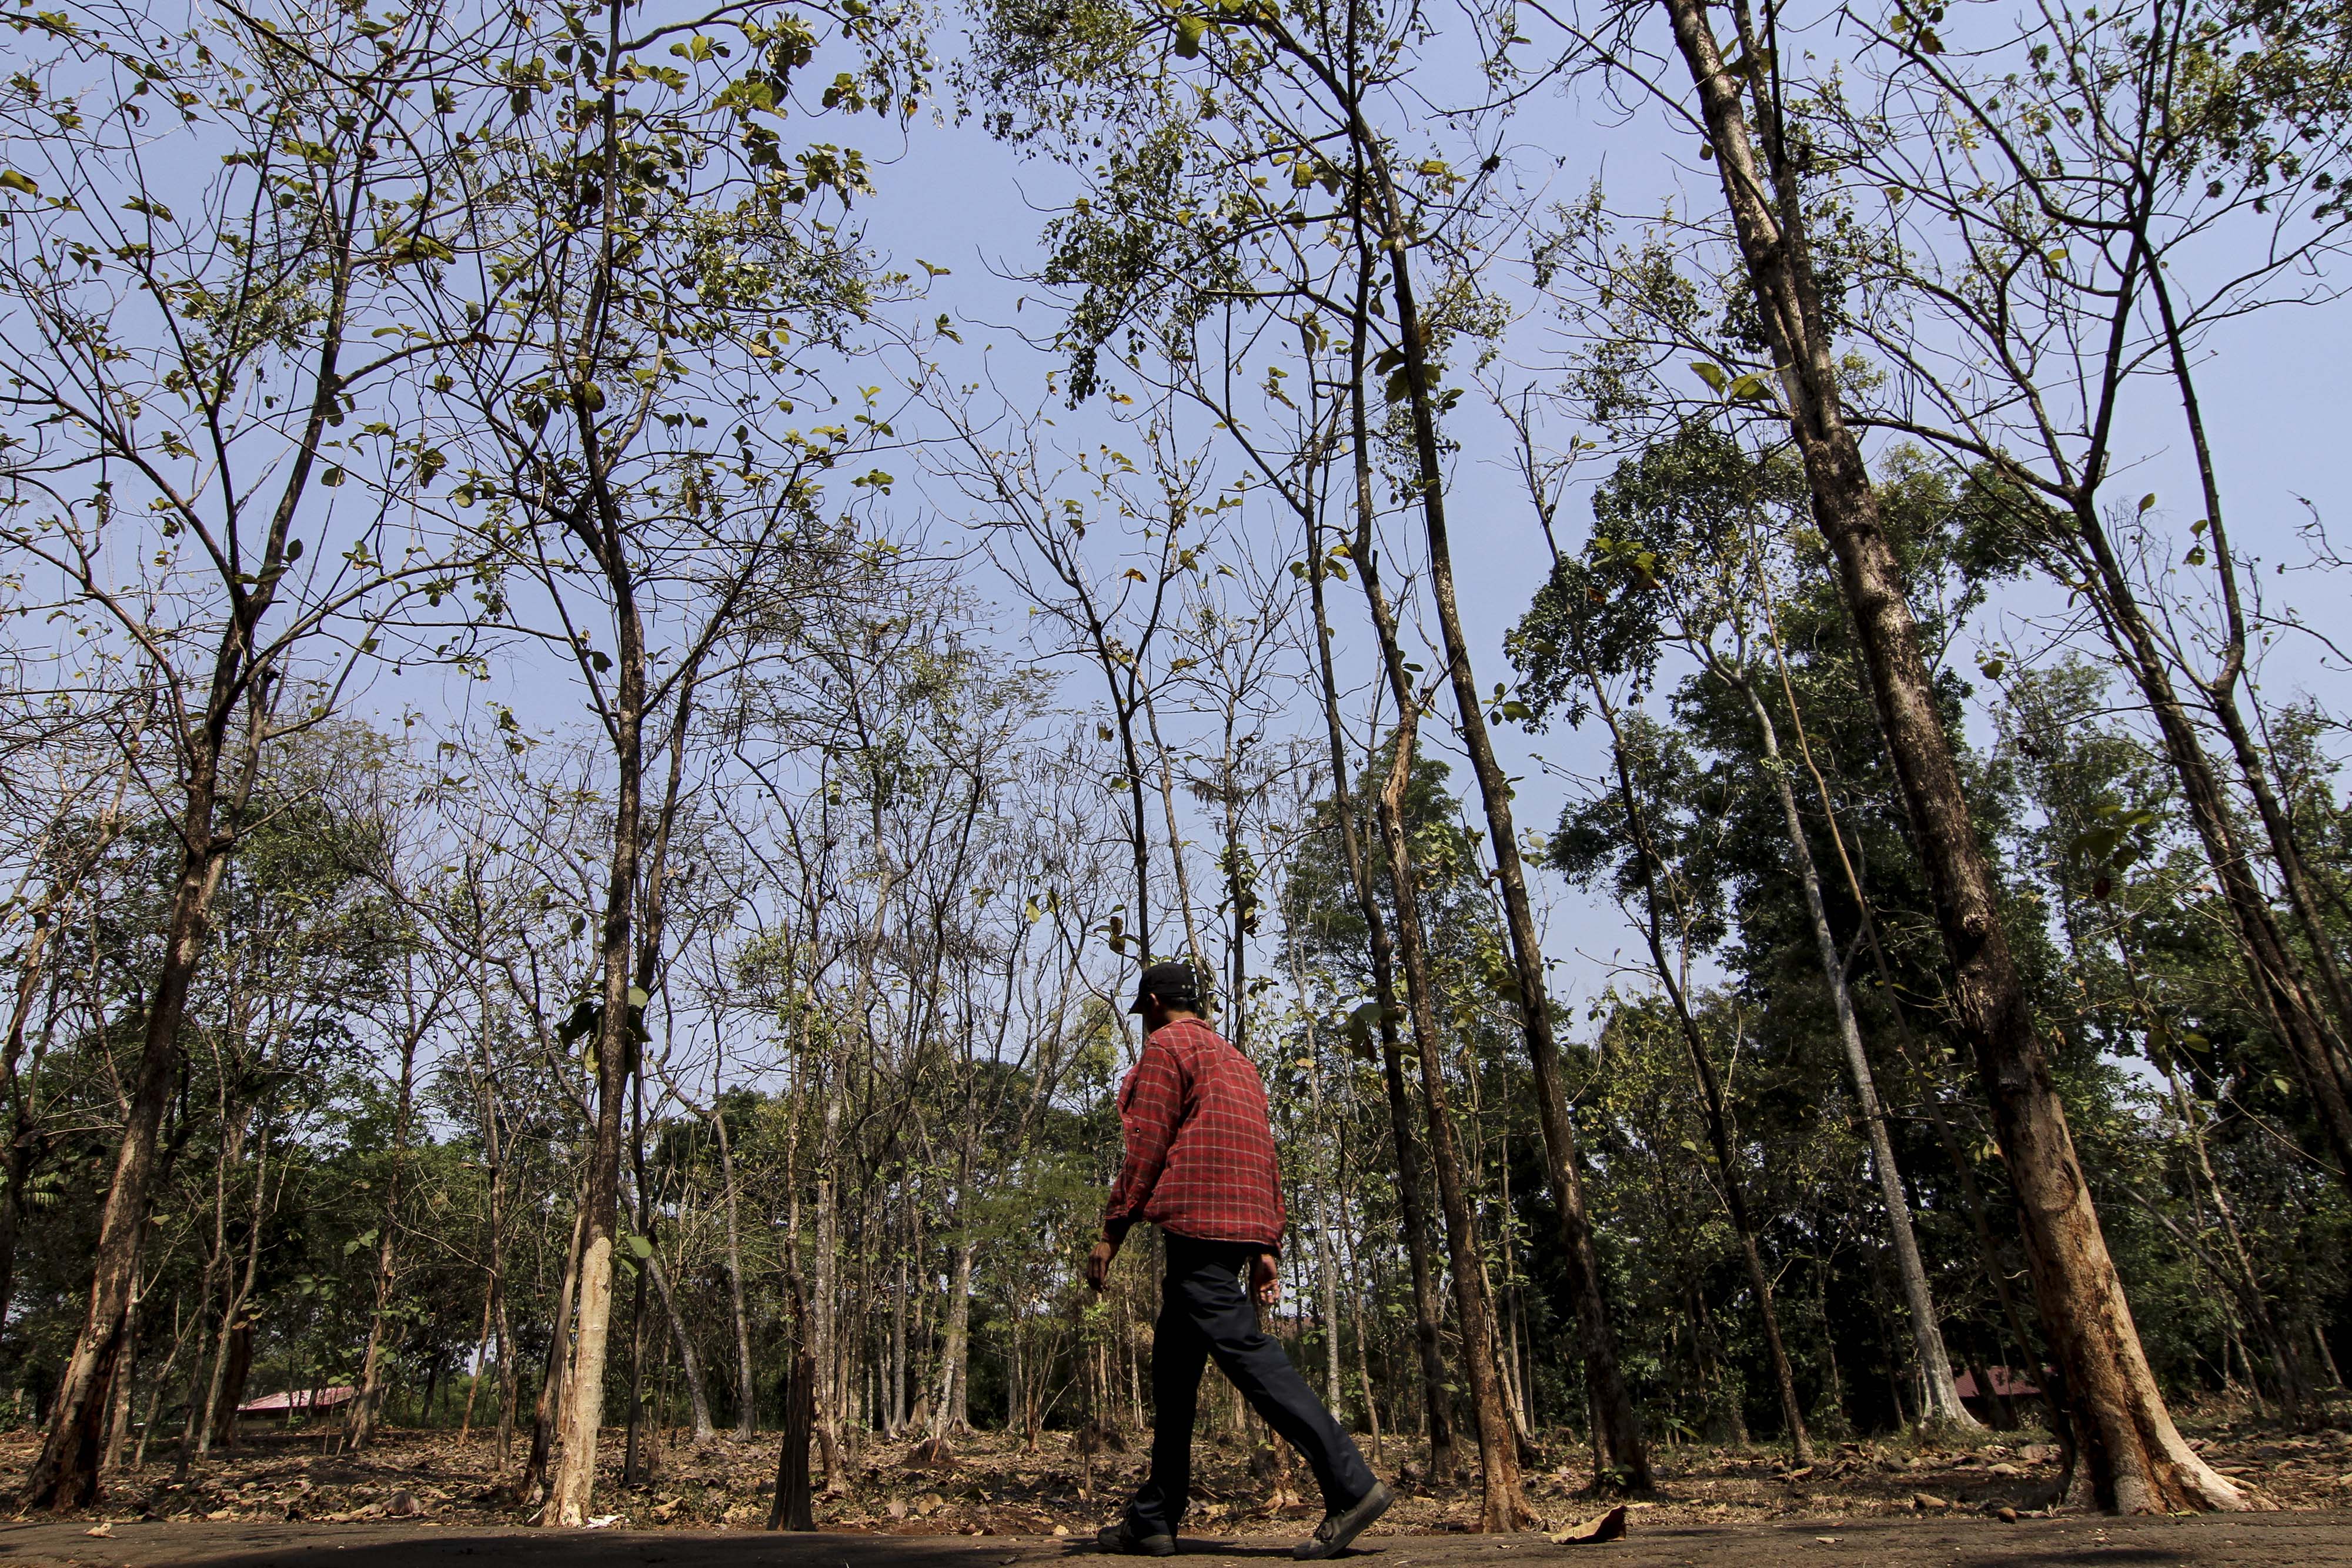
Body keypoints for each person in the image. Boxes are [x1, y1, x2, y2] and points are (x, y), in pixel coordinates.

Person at [1088, 961, 1392, 1561]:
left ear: (1153, 1004)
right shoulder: (1237, 1060)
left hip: (1196, 1223)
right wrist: (1266, 1244)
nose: (1145, 1020)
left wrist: (1112, 1231)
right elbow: (1262, 1151)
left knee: (1249, 1353)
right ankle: (1154, 1518)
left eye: (1144, 1010)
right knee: (1174, 1369)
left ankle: (1352, 1484)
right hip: (1237, 1224)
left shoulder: (1166, 1048)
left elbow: (1147, 1143)